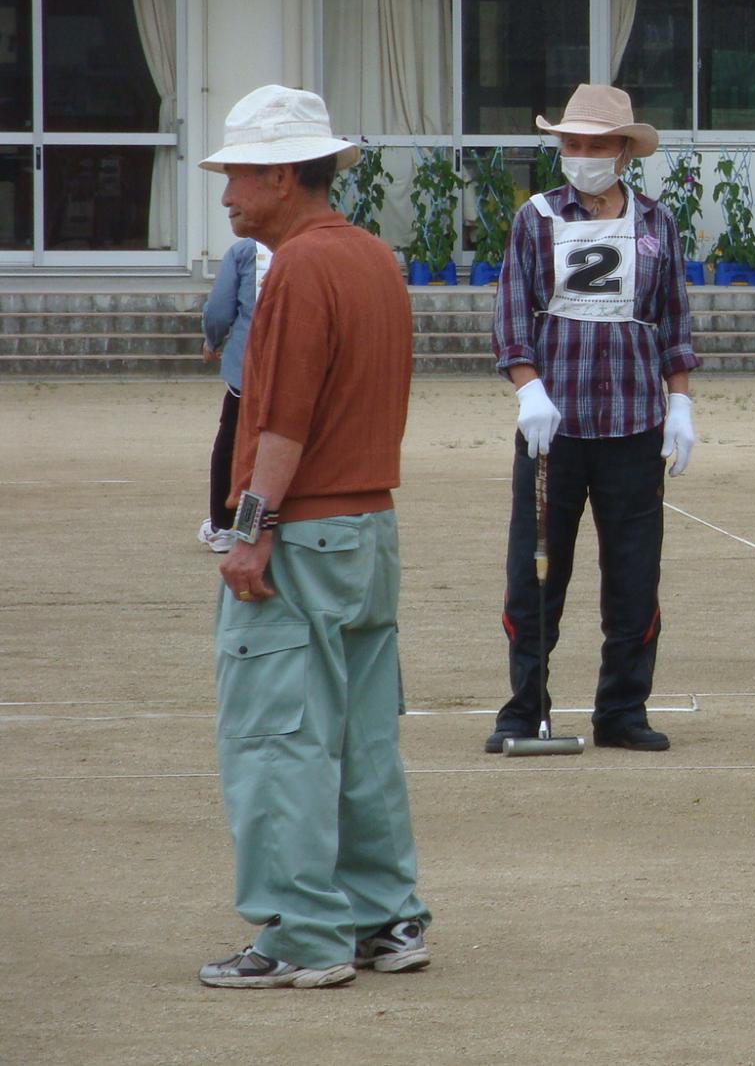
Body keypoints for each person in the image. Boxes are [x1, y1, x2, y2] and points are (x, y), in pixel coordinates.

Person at [196, 85, 428, 988]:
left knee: (277, 738)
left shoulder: (296, 268)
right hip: (369, 528)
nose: (227, 195)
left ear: (286, 175)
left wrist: (248, 533)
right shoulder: (375, 259)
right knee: (364, 736)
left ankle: (302, 931)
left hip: (304, 532)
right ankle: (384, 917)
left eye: (241, 175)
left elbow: (281, 420)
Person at [487, 84, 699, 755]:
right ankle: (525, 707)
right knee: (538, 570)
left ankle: (622, 709)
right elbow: (513, 311)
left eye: (594, 145)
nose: (580, 156)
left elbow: (673, 316)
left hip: (634, 422)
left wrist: (682, 402)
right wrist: (528, 389)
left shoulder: (656, 222)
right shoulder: (536, 219)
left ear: (622, 152)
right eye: (571, 145)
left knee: (634, 574)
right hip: (554, 428)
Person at [197, 237, 271, 553]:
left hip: (250, 369)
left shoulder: (244, 252)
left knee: (234, 448)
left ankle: (226, 525)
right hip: (304, 371)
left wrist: (212, 342)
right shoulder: (321, 244)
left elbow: (218, 310)